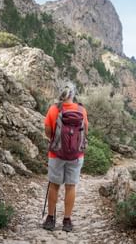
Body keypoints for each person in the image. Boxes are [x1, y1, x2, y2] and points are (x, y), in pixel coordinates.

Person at [42, 82, 88, 232]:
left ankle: (50, 219)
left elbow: (48, 132)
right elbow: (85, 132)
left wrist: (56, 141)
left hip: (56, 154)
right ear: (73, 94)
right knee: (71, 186)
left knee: (54, 185)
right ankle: (67, 221)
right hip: (76, 155)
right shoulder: (82, 110)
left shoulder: (54, 109)